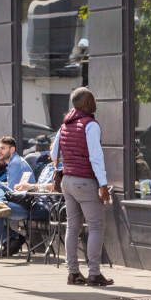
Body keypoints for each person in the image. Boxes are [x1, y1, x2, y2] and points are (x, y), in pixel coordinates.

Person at [52, 86, 114, 287]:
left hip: (67, 180)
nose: (95, 103)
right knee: (96, 226)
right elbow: (96, 157)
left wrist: (69, 161)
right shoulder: (90, 125)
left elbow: (54, 154)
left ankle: (73, 273)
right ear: (86, 103)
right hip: (85, 181)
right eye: (92, 99)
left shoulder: (65, 125)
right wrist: (103, 185)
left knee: (73, 226)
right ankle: (94, 274)